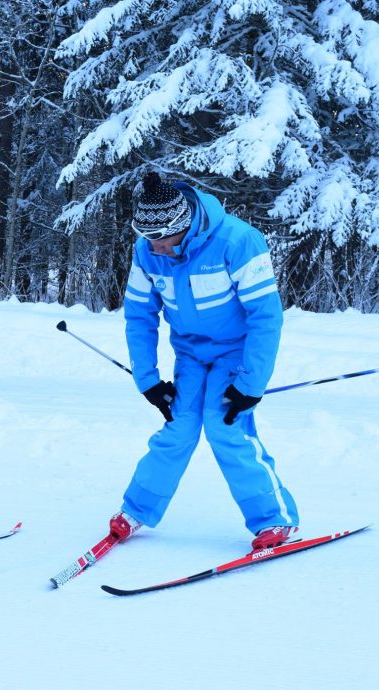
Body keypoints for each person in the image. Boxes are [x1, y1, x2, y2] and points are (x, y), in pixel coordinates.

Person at [109, 172, 299, 551]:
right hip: (191, 354)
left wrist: (250, 385)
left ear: (182, 226)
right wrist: (148, 380)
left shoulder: (238, 241)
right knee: (179, 426)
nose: (153, 247)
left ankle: (275, 520)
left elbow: (265, 316)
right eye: (147, 238)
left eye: (160, 238)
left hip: (236, 352)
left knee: (224, 426)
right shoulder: (147, 251)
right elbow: (139, 316)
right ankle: (137, 509)